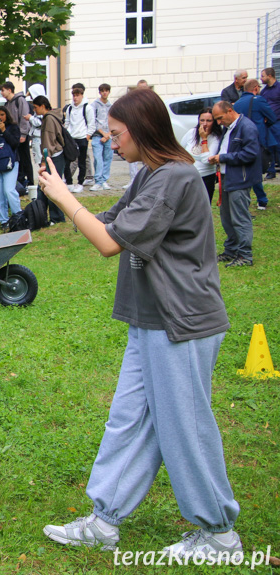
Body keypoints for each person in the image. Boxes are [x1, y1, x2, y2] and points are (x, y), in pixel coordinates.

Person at [38, 87, 243, 563]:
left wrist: (67, 199)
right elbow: (110, 221)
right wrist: (62, 202)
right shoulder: (149, 174)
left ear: (143, 129)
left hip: (181, 321)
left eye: (116, 134)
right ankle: (104, 520)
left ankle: (219, 533)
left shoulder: (176, 177)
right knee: (130, 420)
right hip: (150, 318)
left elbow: (110, 243)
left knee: (184, 425)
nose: (111, 142)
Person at [208, 101, 260, 267]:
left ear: (230, 111)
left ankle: (245, 256)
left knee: (240, 218)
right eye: (216, 119)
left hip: (240, 180)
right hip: (226, 178)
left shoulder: (247, 127)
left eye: (220, 118)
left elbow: (250, 154)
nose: (218, 122)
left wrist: (222, 158)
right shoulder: (228, 127)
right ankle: (231, 251)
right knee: (227, 218)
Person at [234, 78, 276, 209]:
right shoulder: (258, 100)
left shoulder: (237, 104)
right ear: (256, 88)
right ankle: (261, 200)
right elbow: (273, 118)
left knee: (244, 171)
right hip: (256, 140)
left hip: (240, 141)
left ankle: (244, 199)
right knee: (256, 170)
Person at [34, 96, 67, 224]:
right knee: (47, 187)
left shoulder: (49, 118)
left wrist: (44, 160)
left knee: (51, 187)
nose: (34, 110)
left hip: (52, 157)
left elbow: (48, 142)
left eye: (36, 107)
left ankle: (57, 218)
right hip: (56, 155)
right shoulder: (54, 116)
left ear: (43, 106)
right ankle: (48, 216)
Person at [180, 108, 222, 202]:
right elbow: (181, 150)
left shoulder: (216, 138)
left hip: (206, 178)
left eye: (209, 121)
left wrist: (204, 139)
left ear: (214, 122)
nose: (204, 124)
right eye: (202, 120)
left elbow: (206, 160)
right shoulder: (191, 133)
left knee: (202, 206)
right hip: (188, 176)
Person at [63, 83, 95, 193]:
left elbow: (91, 123)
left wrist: (88, 135)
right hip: (71, 138)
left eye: (77, 95)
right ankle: (69, 182)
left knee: (82, 162)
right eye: (74, 95)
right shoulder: (70, 108)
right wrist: (66, 134)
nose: (75, 98)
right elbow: (67, 122)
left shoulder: (87, 108)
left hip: (82, 137)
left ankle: (80, 182)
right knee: (68, 161)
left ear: (82, 95)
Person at [1, 81, 33, 187]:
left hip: (21, 136)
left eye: (3, 90)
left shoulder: (20, 100)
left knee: (25, 159)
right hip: (12, 137)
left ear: (9, 90)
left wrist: (23, 134)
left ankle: (30, 183)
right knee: (17, 159)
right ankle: (20, 182)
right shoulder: (7, 104)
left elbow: (24, 118)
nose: (1, 93)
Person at [89, 84, 113, 191]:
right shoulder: (94, 105)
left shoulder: (111, 106)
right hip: (97, 136)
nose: (104, 93)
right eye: (102, 91)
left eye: (106, 91)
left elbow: (113, 122)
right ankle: (98, 181)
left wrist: (108, 135)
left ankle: (104, 180)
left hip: (109, 136)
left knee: (108, 158)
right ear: (99, 92)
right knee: (98, 159)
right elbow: (93, 121)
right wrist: (103, 134)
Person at [260, 67, 280, 178]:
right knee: (269, 147)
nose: (261, 78)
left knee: (279, 146)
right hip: (268, 124)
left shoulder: (279, 88)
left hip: (278, 122)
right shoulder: (264, 91)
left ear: (270, 76)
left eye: (263, 76)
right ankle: (271, 170)